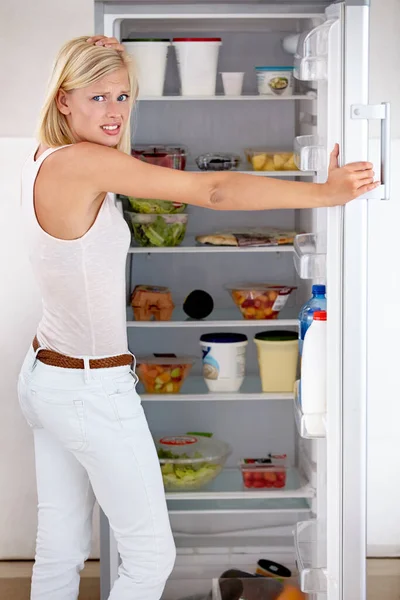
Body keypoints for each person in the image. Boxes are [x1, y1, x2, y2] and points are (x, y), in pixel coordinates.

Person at [18, 34, 379, 600]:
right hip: (89, 387)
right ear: (63, 100)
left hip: (47, 374)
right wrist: (325, 193)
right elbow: (210, 188)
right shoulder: (85, 162)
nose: (114, 113)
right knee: (149, 557)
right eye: (97, 97)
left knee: (60, 552)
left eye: (122, 96)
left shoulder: (43, 157)